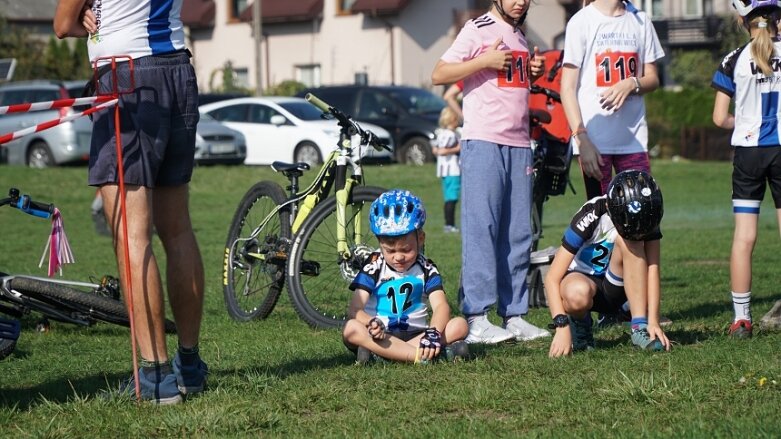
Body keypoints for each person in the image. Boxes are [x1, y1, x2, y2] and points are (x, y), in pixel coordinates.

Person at [54, 0, 207, 404]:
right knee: (178, 231)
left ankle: (156, 378)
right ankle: (188, 365)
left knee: (131, 236)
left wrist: (86, 19)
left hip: (127, 75)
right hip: (177, 68)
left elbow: (62, 24)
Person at [431, 0, 550, 344]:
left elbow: (511, 84)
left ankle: (514, 315)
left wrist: (534, 71)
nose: (520, 1)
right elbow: (439, 73)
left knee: (518, 232)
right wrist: (484, 60)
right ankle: (476, 316)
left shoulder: (520, 36)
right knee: (482, 227)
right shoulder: (477, 29)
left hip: (518, 144)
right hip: (483, 142)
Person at [544, 170, 671, 357]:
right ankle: (580, 327)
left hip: (619, 285)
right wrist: (561, 325)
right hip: (584, 282)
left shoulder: (646, 214)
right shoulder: (593, 212)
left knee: (631, 242)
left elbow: (653, 269)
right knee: (576, 294)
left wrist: (653, 321)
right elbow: (552, 278)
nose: (638, 230)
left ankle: (639, 327)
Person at [711, 0, 781, 339]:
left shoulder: (732, 59)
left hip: (748, 154)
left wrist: (747, 123)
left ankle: (741, 319)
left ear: (743, 20)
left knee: (744, 238)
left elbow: (719, 117)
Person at [342, 190, 470, 363]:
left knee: (460, 324)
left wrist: (433, 333)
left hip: (418, 334)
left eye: (406, 249)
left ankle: (386, 356)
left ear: (421, 238)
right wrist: (371, 322)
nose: (398, 257)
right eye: (390, 251)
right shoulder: (373, 267)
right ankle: (420, 356)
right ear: (379, 243)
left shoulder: (427, 268)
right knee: (352, 328)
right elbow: (355, 309)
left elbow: (441, 306)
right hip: (381, 334)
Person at [560, 0, 664, 200]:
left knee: (641, 219)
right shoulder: (580, 21)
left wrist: (632, 83)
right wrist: (582, 139)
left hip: (634, 141)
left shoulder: (641, 20)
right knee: (602, 218)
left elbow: (653, 78)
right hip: (595, 143)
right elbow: (567, 88)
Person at [432, 107, 462, 233]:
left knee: (448, 197)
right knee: (452, 198)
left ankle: (449, 224)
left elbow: (435, 149)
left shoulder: (440, 133)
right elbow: (443, 150)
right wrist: (457, 148)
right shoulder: (451, 135)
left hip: (443, 170)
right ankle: (449, 225)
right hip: (452, 169)